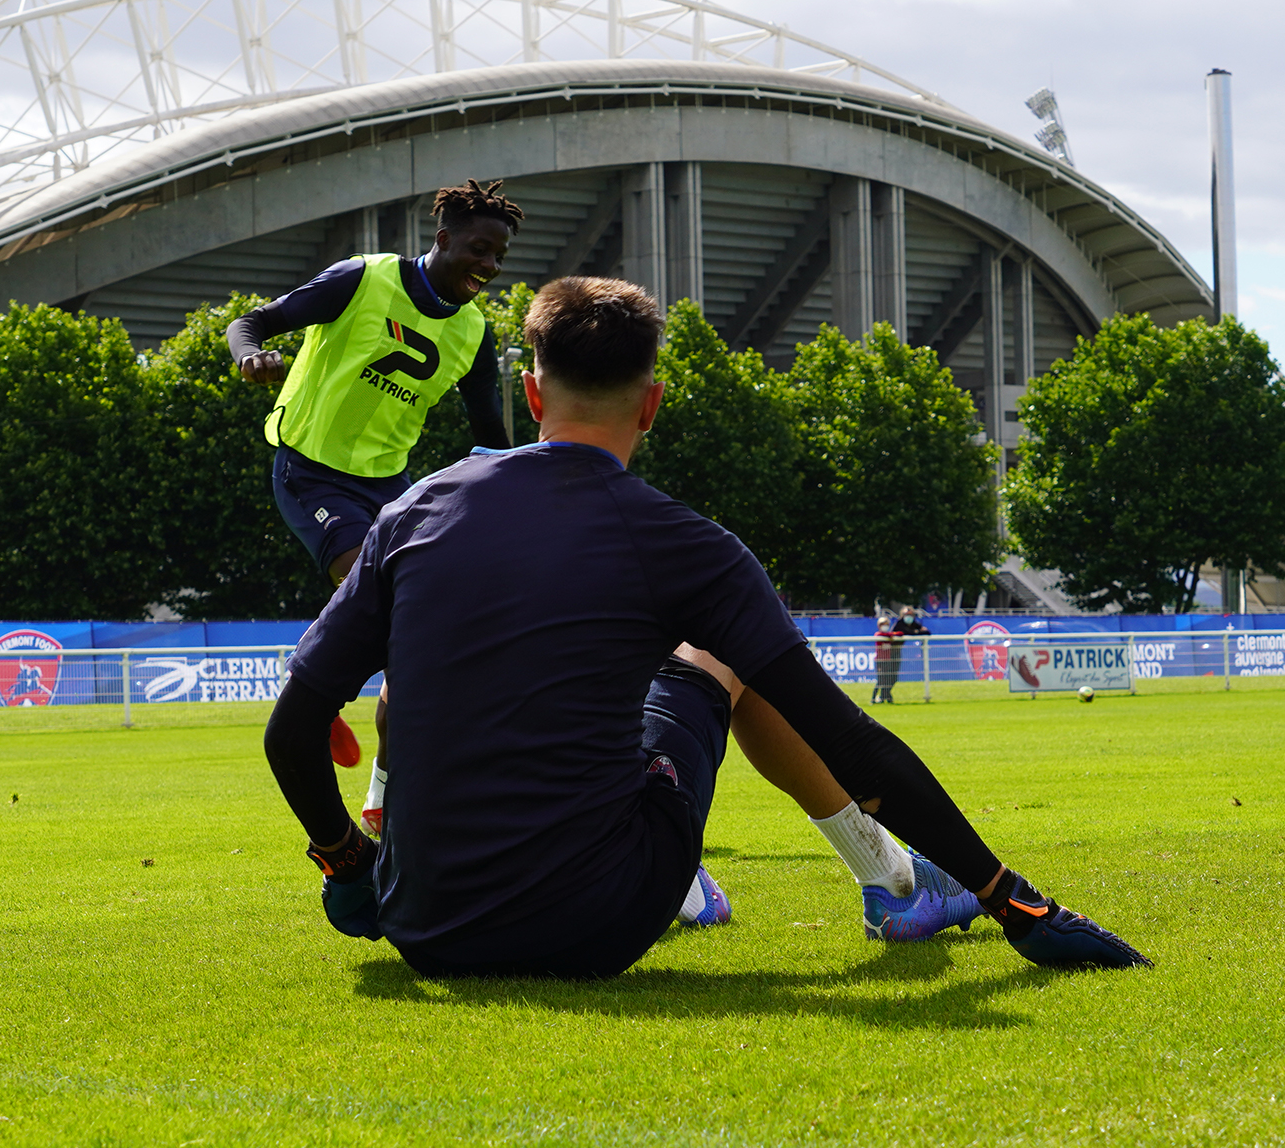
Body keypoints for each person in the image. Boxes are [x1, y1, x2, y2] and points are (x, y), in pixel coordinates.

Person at [264, 276, 1150, 977]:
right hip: (600, 922)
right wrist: (1018, 902)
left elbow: (291, 729)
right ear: (650, 404)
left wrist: (346, 862)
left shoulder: (416, 511)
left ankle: (777, 885)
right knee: (723, 654)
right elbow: (845, 738)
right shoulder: (687, 546)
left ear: (531, 395)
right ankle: (883, 881)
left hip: (429, 927)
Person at [227, 178, 521, 835]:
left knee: (418, 637)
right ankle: (317, 675)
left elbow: (489, 443)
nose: (490, 267)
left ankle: (383, 799)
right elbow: (249, 323)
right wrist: (251, 358)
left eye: (499, 257)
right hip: (311, 471)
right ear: (442, 239)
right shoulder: (361, 280)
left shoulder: (473, 332)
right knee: (387, 591)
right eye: (479, 249)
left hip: (388, 487)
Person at [871, 614, 902, 704]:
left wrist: (892, 635)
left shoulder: (888, 636)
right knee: (881, 680)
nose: (885, 626)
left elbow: (900, 633)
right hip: (880, 661)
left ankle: (887, 697)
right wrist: (891, 635)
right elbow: (881, 636)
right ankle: (873, 698)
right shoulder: (879, 635)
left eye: (887, 624)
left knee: (888, 679)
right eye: (883, 624)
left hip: (887, 660)